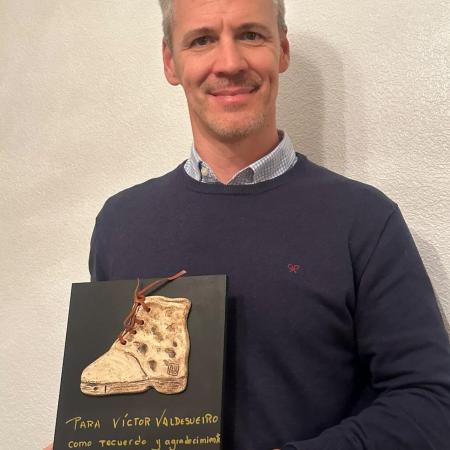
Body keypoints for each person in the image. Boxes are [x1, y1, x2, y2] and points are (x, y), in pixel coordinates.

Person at [44, 1, 450, 449]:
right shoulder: (119, 224)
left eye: (251, 35)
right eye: (202, 40)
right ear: (170, 62)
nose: (230, 63)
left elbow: (431, 403)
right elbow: (116, 404)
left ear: (282, 50)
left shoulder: (365, 220)